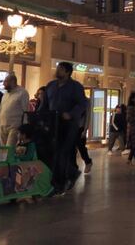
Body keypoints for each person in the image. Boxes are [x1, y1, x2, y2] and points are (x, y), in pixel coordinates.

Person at [42, 61, 87, 194]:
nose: (57, 71)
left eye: (60, 69)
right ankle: (69, 174)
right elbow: (44, 105)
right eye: (57, 68)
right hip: (53, 123)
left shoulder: (76, 87)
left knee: (63, 152)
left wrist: (71, 114)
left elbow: (81, 104)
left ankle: (60, 182)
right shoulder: (50, 86)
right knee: (53, 152)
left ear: (67, 72)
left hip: (69, 125)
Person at [0, 74, 30, 149]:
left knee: (9, 150)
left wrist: (24, 129)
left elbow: (26, 111)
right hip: (3, 126)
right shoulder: (5, 95)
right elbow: (0, 111)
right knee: (3, 151)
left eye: (5, 81)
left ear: (13, 82)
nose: (3, 84)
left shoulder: (22, 93)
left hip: (14, 127)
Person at [76, 98, 93, 174]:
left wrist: (85, 129)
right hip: (72, 127)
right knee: (72, 149)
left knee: (81, 146)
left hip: (80, 127)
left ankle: (88, 162)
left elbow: (88, 115)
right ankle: (73, 168)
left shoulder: (86, 101)